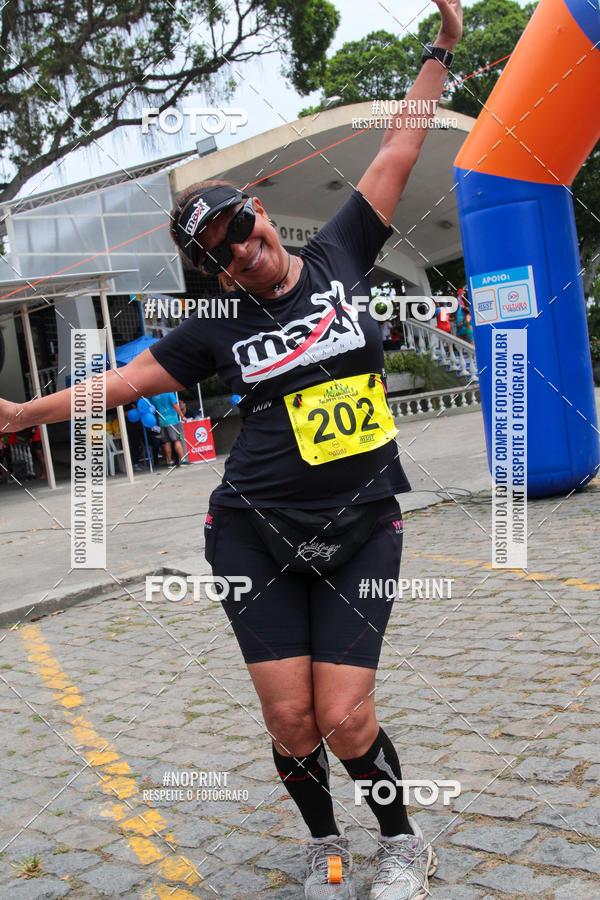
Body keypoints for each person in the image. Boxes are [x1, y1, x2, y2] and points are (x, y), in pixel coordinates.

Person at [0, 4, 462, 897]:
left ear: (259, 213)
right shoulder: (217, 325)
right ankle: (322, 842)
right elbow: (124, 386)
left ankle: (402, 842)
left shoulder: (339, 253)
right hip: (253, 532)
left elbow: (400, 149)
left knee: (347, 715)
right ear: (214, 271)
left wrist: (440, 46)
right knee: (293, 722)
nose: (248, 254)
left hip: (364, 525)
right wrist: (25, 412)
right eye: (225, 254)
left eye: (246, 230)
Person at [149, 391, 187, 467]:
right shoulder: (169, 392)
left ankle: (170, 462)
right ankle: (183, 460)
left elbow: (153, 408)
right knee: (177, 440)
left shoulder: (154, 395)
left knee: (166, 442)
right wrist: (182, 416)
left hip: (162, 420)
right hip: (172, 420)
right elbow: (174, 405)